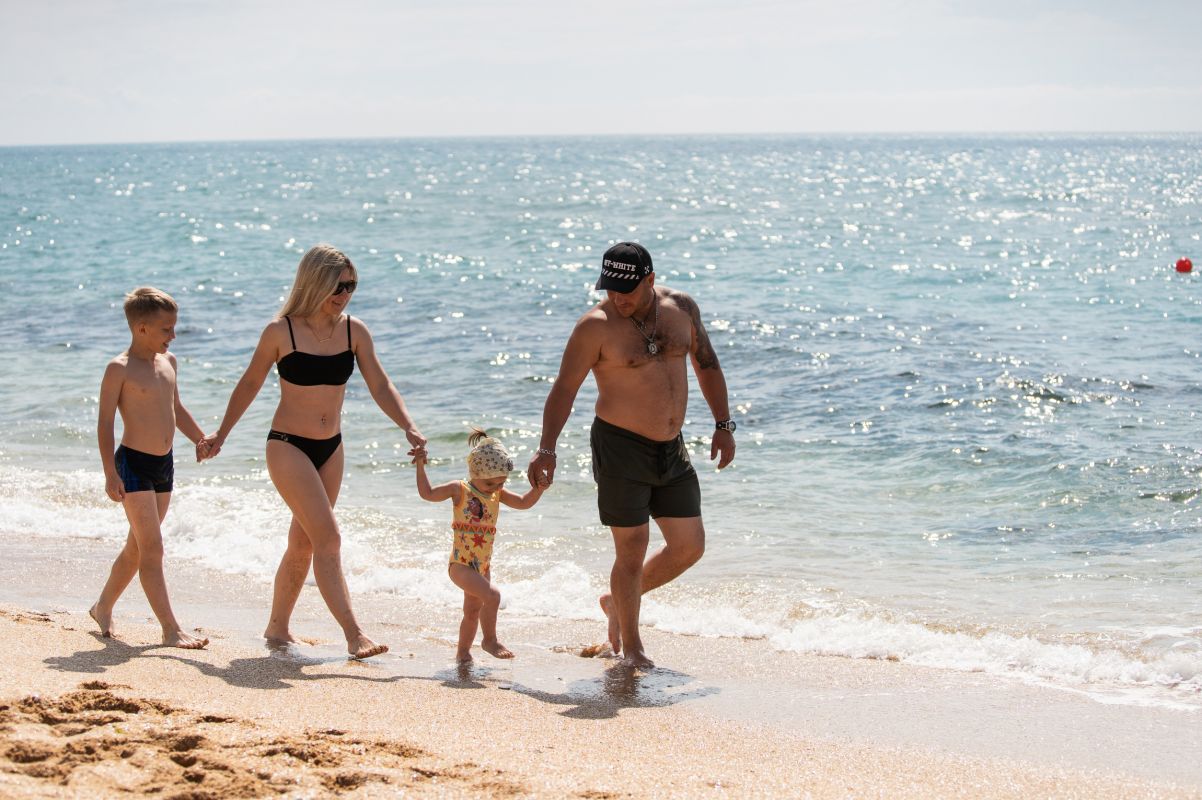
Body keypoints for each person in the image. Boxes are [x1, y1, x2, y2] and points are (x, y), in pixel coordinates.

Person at [201, 244, 425, 659]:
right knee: (329, 537)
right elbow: (249, 383)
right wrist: (222, 433)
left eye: (351, 286)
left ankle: (277, 627)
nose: (345, 294)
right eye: (338, 286)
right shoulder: (280, 331)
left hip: (332, 448)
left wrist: (408, 425)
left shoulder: (354, 331)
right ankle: (355, 634)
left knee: (303, 541)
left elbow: (381, 384)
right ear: (315, 282)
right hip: (288, 446)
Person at [527, 242, 736, 668]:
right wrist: (546, 449)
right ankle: (632, 646)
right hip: (620, 447)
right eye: (610, 289)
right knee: (633, 548)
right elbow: (564, 390)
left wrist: (723, 424)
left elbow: (707, 364)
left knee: (689, 546)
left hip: (671, 448)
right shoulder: (595, 327)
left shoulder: (681, 309)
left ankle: (617, 601)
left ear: (650, 280)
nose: (617, 298)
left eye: (626, 290)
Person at [91, 287, 210, 649]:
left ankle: (101, 607)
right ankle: (171, 629)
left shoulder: (169, 362)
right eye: (166, 329)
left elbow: (176, 408)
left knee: (138, 547)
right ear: (141, 328)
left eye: (174, 327)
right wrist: (110, 473)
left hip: (164, 465)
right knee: (153, 549)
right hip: (132, 465)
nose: (173, 335)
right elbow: (105, 424)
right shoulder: (119, 368)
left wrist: (200, 439)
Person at [412, 428, 546, 663]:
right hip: (461, 565)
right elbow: (428, 493)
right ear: (475, 473)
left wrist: (539, 489)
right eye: (490, 483)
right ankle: (489, 640)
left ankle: (462, 654)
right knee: (493, 596)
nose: (496, 488)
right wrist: (420, 465)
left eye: (501, 483)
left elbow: (524, 503)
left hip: (482, 565)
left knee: (472, 611)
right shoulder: (460, 489)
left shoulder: (497, 493)